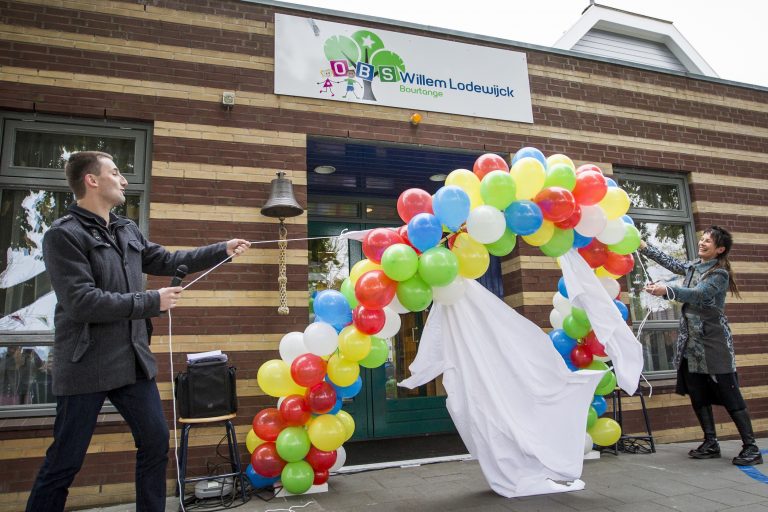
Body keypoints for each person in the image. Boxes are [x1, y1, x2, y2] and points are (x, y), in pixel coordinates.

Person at [26, 151, 251, 511]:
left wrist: (220, 250)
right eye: (115, 172)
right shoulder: (63, 236)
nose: (124, 179)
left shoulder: (125, 228)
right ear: (92, 180)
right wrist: (151, 301)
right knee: (65, 460)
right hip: (85, 365)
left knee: (155, 442)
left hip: (132, 361)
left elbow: (167, 260)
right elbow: (82, 301)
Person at [640, 226, 761, 466]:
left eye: (709, 241)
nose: (703, 243)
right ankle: (710, 442)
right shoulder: (693, 266)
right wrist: (644, 247)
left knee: (730, 395)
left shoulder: (719, 274)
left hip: (714, 344)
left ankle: (751, 447)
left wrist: (668, 290)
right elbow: (670, 262)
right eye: (702, 239)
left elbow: (698, 295)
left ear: (720, 249)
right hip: (691, 345)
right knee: (698, 394)